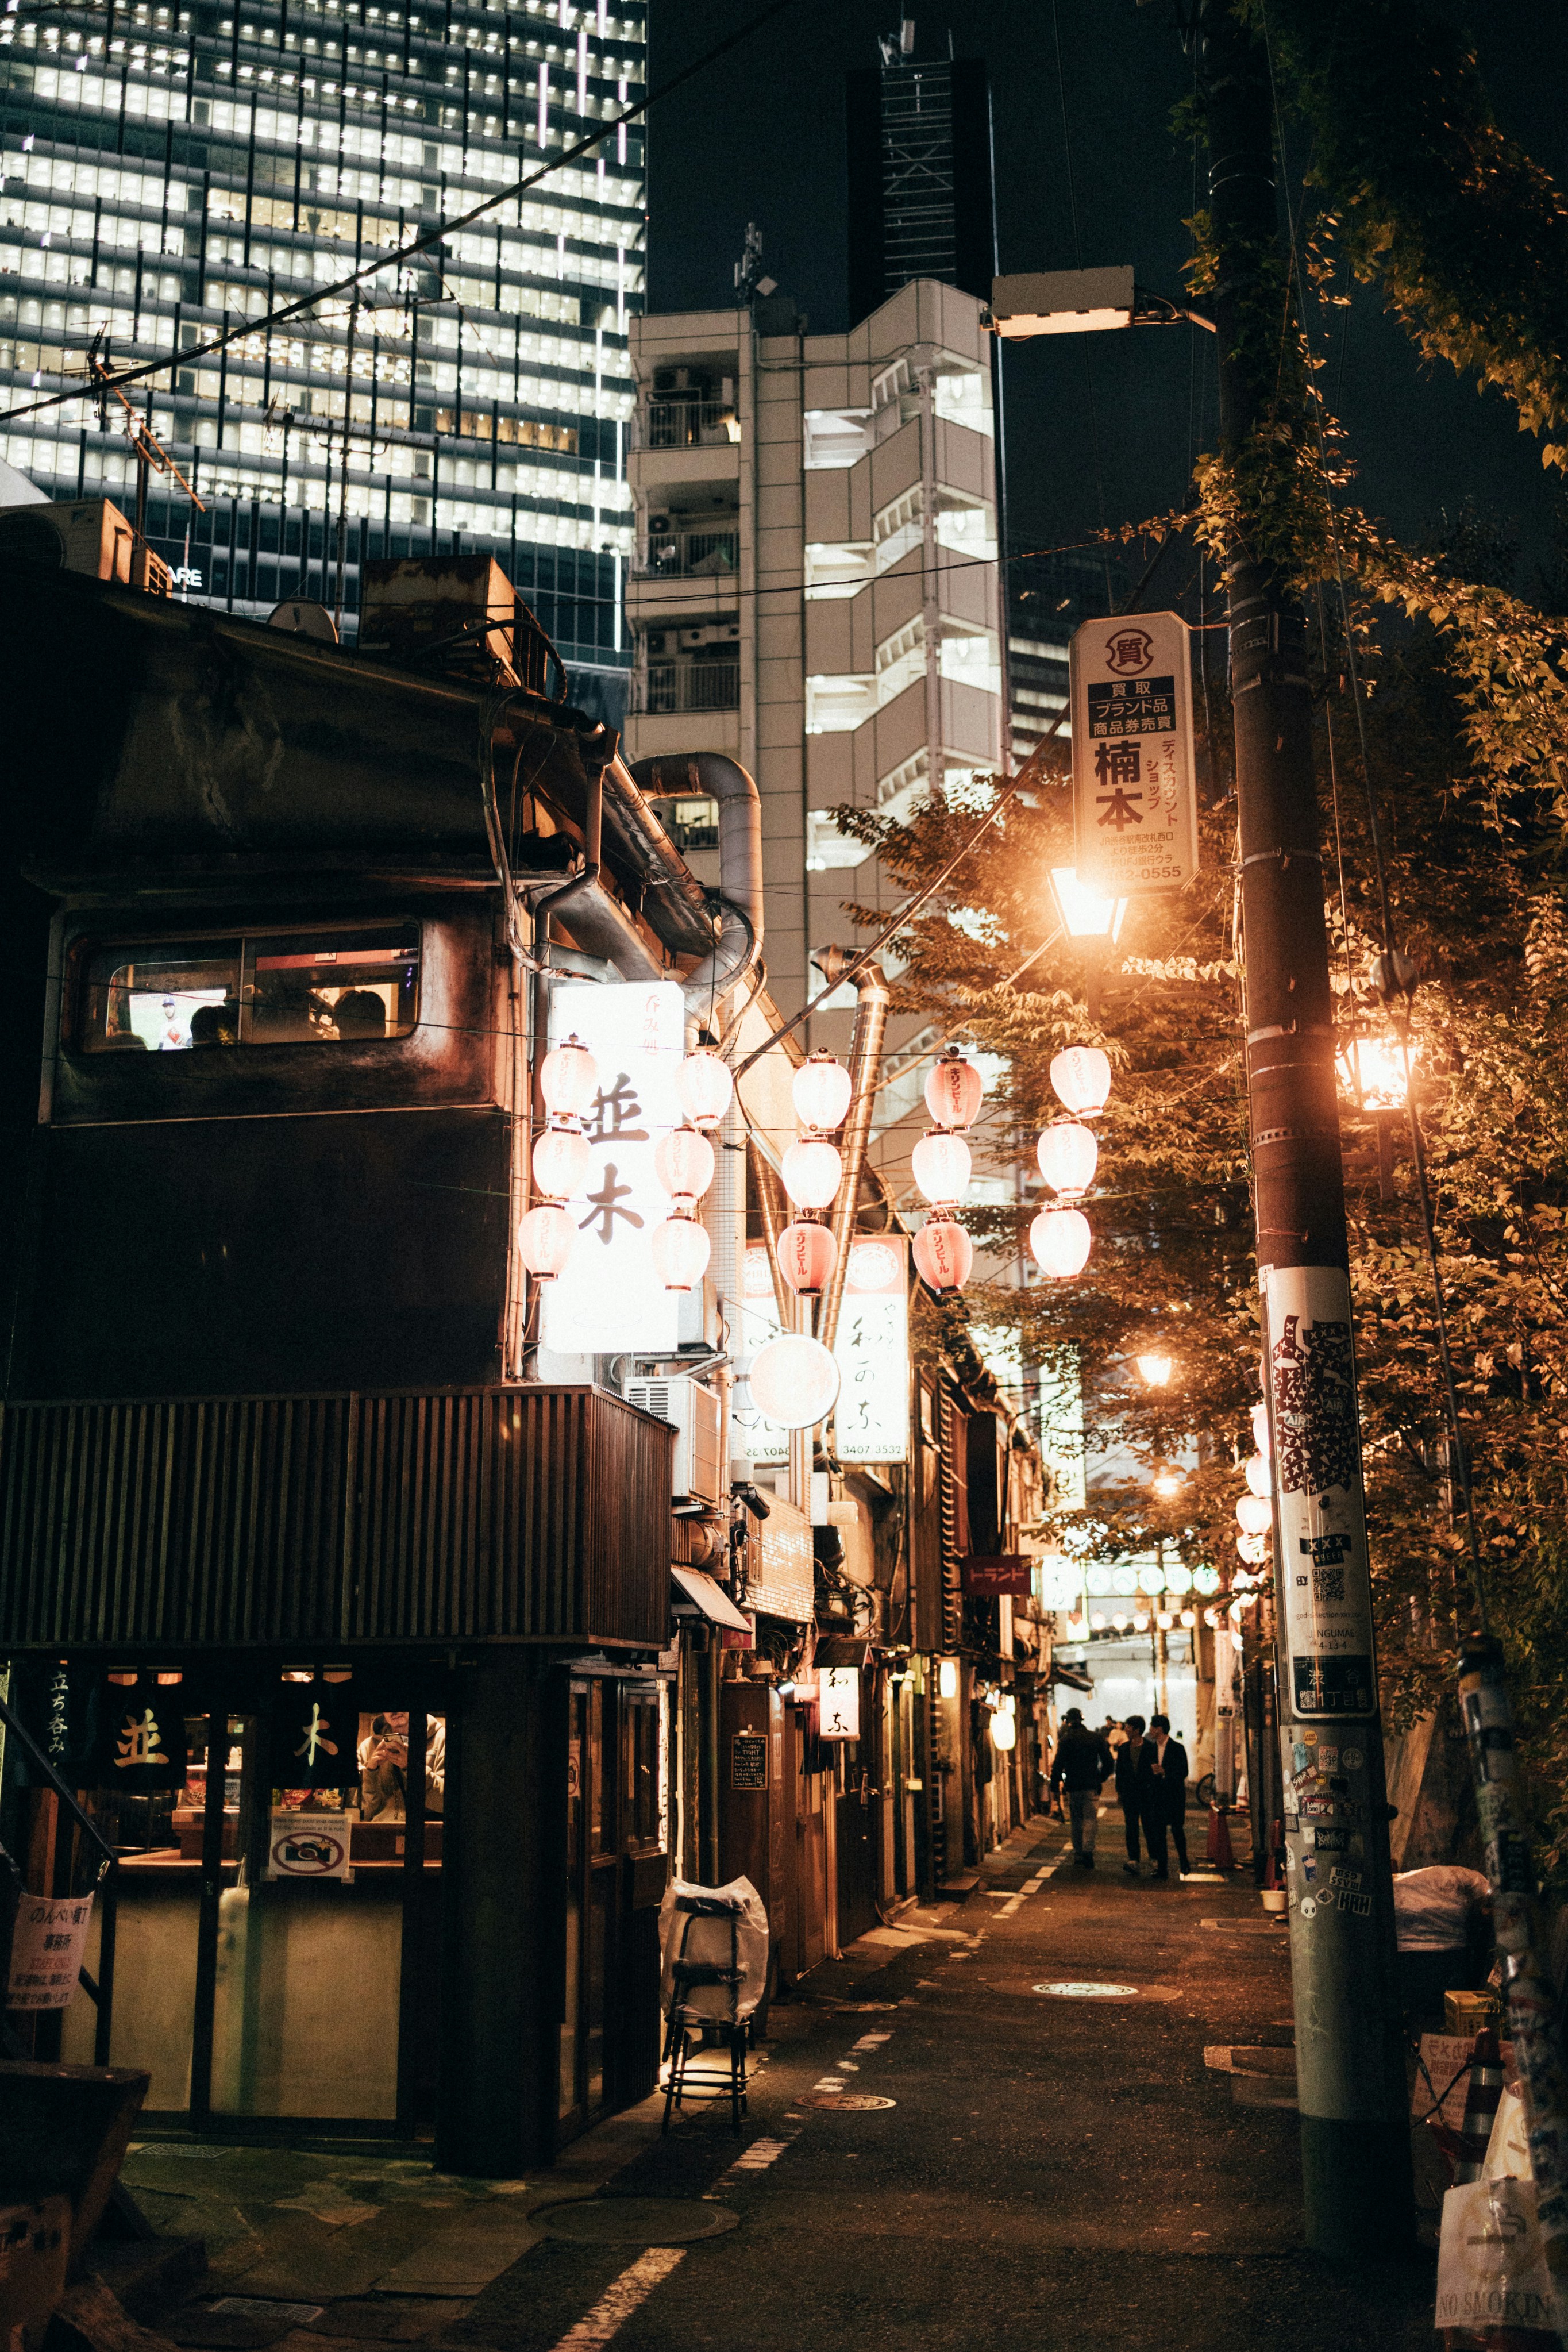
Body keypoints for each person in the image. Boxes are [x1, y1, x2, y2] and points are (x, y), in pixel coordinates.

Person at [1392, 1864, 1493, 2027]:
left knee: (1425, 2008)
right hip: (1448, 1953)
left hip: (1415, 1953)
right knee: (1445, 2005)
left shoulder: (1392, 1888)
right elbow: (1487, 1892)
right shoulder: (1459, 1876)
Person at [1049, 1707, 1114, 1868]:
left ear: (1069, 1721)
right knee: (1091, 1819)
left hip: (1073, 1785)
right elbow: (1108, 1761)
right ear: (1082, 1719)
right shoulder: (1095, 1738)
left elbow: (1058, 1764)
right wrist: (1101, 1777)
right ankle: (1088, 1851)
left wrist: (1054, 1784)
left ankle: (1078, 1853)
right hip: (1091, 1784)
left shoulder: (1066, 1740)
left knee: (1076, 1820)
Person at [1142, 1712, 1191, 1880]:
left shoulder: (1177, 1748)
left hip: (1174, 1795)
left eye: (1153, 1727)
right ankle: (1163, 1868)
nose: (1150, 1730)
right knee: (1159, 1833)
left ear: (1159, 1729)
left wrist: (1165, 1772)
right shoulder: (1150, 1749)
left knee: (1177, 1830)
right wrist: (1153, 1773)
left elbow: (1184, 1772)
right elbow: (1145, 1771)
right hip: (1157, 1796)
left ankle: (1184, 1861)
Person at [1115, 1715, 1150, 1873]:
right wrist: (1120, 1792)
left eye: (1128, 1727)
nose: (1126, 1730)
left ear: (1137, 1730)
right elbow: (1120, 1773)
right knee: (1131, 1827)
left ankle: (1154, 1858)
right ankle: (1134, 1859)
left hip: (1146, 1793)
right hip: (1129, 1794)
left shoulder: (1150, 1748)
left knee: (1150, 1827)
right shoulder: (1123, 1749)